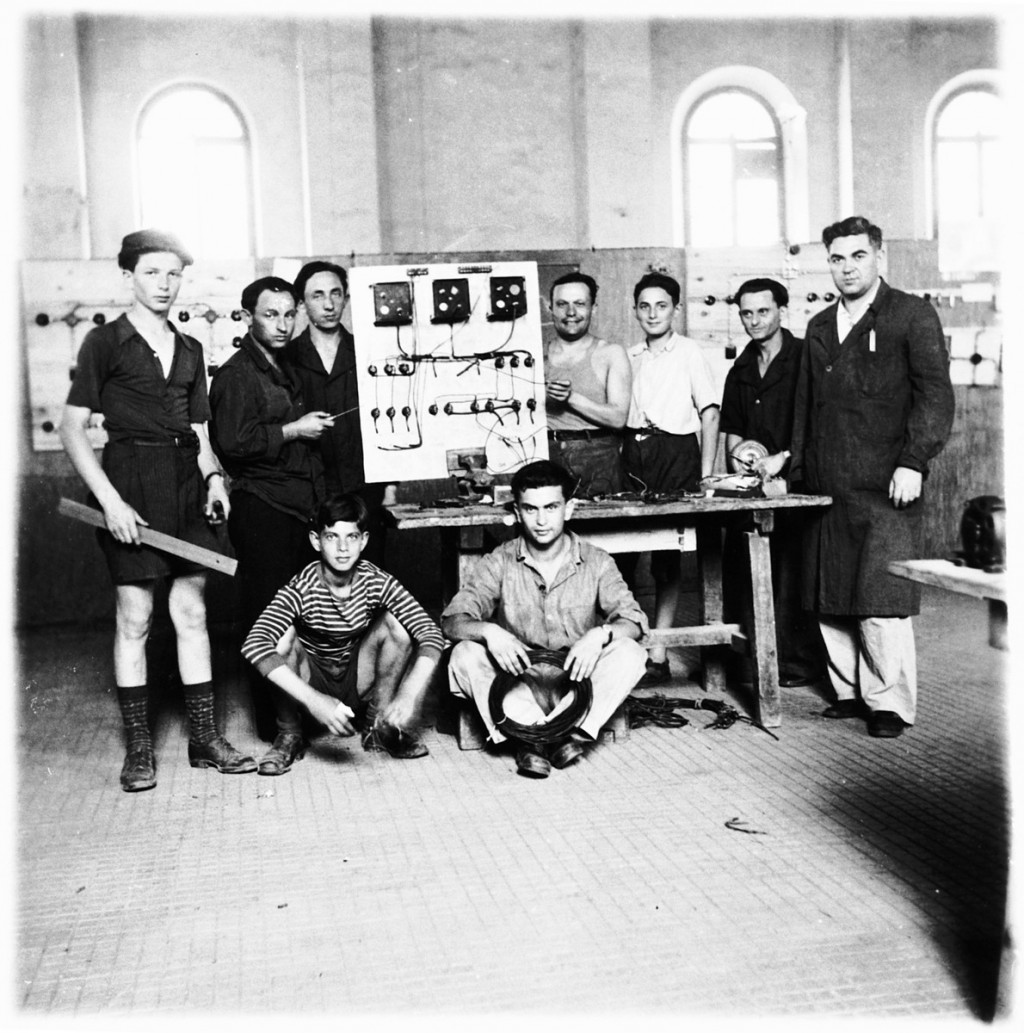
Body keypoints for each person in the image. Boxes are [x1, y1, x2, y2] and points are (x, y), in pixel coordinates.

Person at [59, 229, 255, 792]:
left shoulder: (191, 348)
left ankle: (204, 739)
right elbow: (74, 429)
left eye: (173, 274)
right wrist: (111, 500)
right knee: (136, 618)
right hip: (130, 482)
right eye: (152, 273)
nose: (164, 284)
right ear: (128, 277)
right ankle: (139, 750)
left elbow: (198, 430)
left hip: (187, 486)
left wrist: (214, 478)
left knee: (191, 613)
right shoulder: (105, 344)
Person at [790, 216, 955, 738]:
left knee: (880, 596)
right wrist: (795, 470)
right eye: (837, 258)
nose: (847, 268)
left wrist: (914, 461)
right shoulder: (819, 327)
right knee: (830, 590)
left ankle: (889, 702)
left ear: (879, 257)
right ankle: (849, 691)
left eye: (858, 256)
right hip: (825, 480)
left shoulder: (911, 315)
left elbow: (935, 395)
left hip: (887, 480)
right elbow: (803, 410)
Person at [441, 460, 648, 779]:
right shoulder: (500, 560)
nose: (540, 520)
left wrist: (601, 634)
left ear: (569, 508)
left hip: (576, 684)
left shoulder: (597, 561)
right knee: (463, 654)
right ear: (517, 511)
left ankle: (542, 737)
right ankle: (546, 735)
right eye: (530, 509)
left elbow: (633, 622)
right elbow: (452, 621)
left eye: (551, 507)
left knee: (631, 653)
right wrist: (488, 631)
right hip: (518, 685)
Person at [208, 276, 335, 770]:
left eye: (288, 314)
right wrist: (294, 429)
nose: (282, 325)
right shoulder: (237, 374)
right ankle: (275, 725)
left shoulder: (285, 365)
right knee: (269, 618)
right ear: (247, 318)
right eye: (270, 315)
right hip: (262, 507)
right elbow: (231, 443)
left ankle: (299, 713)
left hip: (297, 505)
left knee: (301, 618)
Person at [241, 494, 444, 768]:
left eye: (351, 537)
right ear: (316, 541)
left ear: (364, 541)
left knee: (397, 627)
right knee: (281, 637)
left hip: (355, 676)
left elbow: (431, 633)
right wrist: (314, 700)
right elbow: (254, 644)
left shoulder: (376, 580)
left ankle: (377, 726)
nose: (342, 548)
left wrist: (408, 693)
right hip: (310, 680)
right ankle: (290, 733)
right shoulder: (302, 587)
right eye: (331, 537)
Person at [720, 277, 826, 688]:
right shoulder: (740, 368)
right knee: (743, 568)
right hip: (750, 488)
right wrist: (737, 467)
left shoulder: (805, 358)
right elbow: (731, 431)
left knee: (792, 572)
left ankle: (797, 665)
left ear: (782, 310)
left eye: (763, 311)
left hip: (794, 484)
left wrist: (786, 465)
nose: (754, 320)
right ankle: (747, 663)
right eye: (746, 313)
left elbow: (820, 423)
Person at [619, 271, 720, 685]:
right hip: (633, 455)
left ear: (675, 309)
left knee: (667, 557)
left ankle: (657, 653)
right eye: (644, 306)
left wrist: (707, 475)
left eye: (661, 306)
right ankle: (625, 651)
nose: (653, 314)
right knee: (622, 557)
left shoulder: (690, 352)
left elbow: (709, 414)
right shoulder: (627, 356)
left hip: (677, 455)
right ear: (636, 311)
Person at [287, 260, 395, 566]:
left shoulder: (367, 352)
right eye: (318, 296)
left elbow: (389, 422)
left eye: (336, 294)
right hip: (307, 492)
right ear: (302, 303)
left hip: (364, 490)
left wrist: (390, 489)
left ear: (346, 299)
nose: (329, 304)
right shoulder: (287, 358)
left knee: (369, 578)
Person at [543, 272, 632, 497]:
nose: (571, 312)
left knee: (600, 531)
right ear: (550, 308)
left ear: (593, 308)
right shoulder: (534, 354)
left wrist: (571, 398)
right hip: (544, 456)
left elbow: (618, 418)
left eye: (580, 304)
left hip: (597, 458)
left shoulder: (611, 353)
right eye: (562, 304)